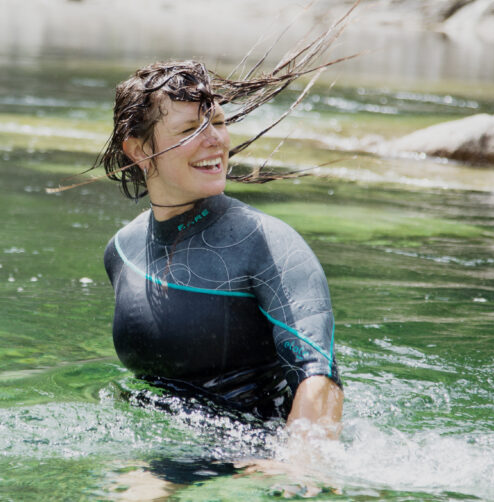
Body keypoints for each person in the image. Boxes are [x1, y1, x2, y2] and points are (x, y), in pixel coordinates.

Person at [94, 58, 344, 440]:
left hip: (249, 451)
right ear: (140, 151)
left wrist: (299, 464)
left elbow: (318, 376)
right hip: (154, 439)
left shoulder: (268, 244)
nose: (215, 140)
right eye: (190, 129)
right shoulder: (123, 251)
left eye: (220, 123)